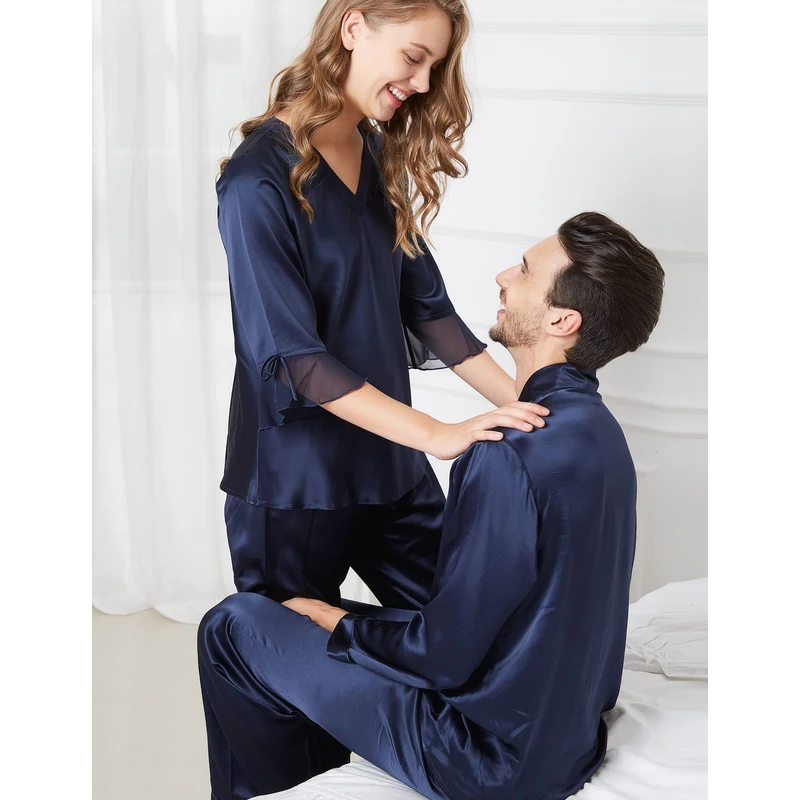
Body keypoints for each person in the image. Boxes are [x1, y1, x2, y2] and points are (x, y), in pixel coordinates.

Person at [197, 211, 666, 800]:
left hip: (484, 759)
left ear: (561, 319)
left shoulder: (506, 452)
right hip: (562, 741)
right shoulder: (602, 434)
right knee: (296, 613)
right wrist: (340, 619)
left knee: (233, 625)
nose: (503, 276)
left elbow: (441, 656)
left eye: (524, 271)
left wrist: (341, 622)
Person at [216, 0, 548, 614]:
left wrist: (534, 409)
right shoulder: (254, 180)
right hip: (297, 481)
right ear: (352, 28)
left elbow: (429, 310)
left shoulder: (374, 151)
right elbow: (297, 360)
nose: (421, 83)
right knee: (289, 656)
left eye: (434, 68)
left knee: (479, 630)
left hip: (390, 465)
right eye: (413, 58)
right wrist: (437, 434)